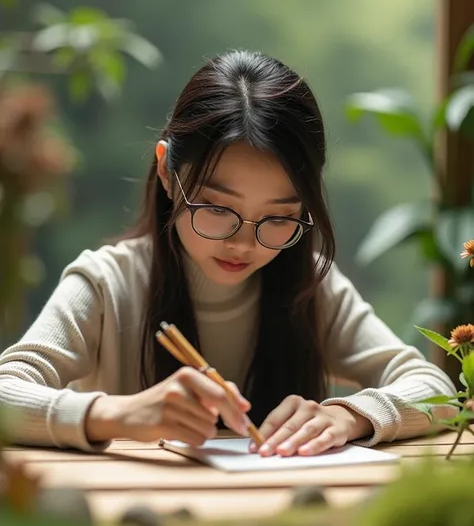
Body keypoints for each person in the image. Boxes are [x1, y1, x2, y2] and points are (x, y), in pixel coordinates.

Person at [0, 50, 456, 456]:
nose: (244, 243)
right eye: (217, 208)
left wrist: (351, 415)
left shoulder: (311, 285)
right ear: (165, 169)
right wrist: (117, 414)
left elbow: (433, 387)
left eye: (278, 218)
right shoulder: (105, 284)